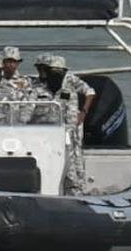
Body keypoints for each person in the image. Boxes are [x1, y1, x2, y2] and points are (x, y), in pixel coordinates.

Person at [34, 54, 95, 190]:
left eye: (43, 68)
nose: (41, 71)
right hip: (49, 135)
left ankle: (78, 191)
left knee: (75, 167)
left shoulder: (70, 80)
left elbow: (90, 92)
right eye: (39, 68)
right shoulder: (37, 86)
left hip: (70, 132)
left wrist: (83, 112)